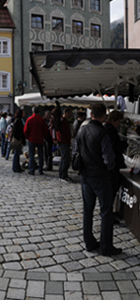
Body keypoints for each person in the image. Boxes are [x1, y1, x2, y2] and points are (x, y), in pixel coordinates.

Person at [76, 104, 121, 256]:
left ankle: (89, 242)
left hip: (85, 175)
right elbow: (109, 159)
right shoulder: (102, 132)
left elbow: (76, 151)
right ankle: (106, 246)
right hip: (100, 177)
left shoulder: (82, 129)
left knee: (87, 210)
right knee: (106, 212)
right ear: (103, 116)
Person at [24, 106, 49, 175]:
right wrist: (42, 136)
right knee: (41, 155)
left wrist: (28, 137)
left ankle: (32, 170)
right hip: (40, 139)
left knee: (31, 155)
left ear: (32, 112)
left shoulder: (29, 119)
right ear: (39, 112)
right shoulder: (42, 120)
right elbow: (46, 130)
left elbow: (25, 130)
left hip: (32, 139)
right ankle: (40, 170)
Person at [54, 107, 74, 182]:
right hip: (63, 142)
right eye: (70, 113)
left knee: (66, 158)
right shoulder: (62, 121)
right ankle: (62, 175)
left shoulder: (64, 121)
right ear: (67, 113)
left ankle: (64, 174)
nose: (71, 115)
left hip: (65, 141)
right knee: (65, 158)